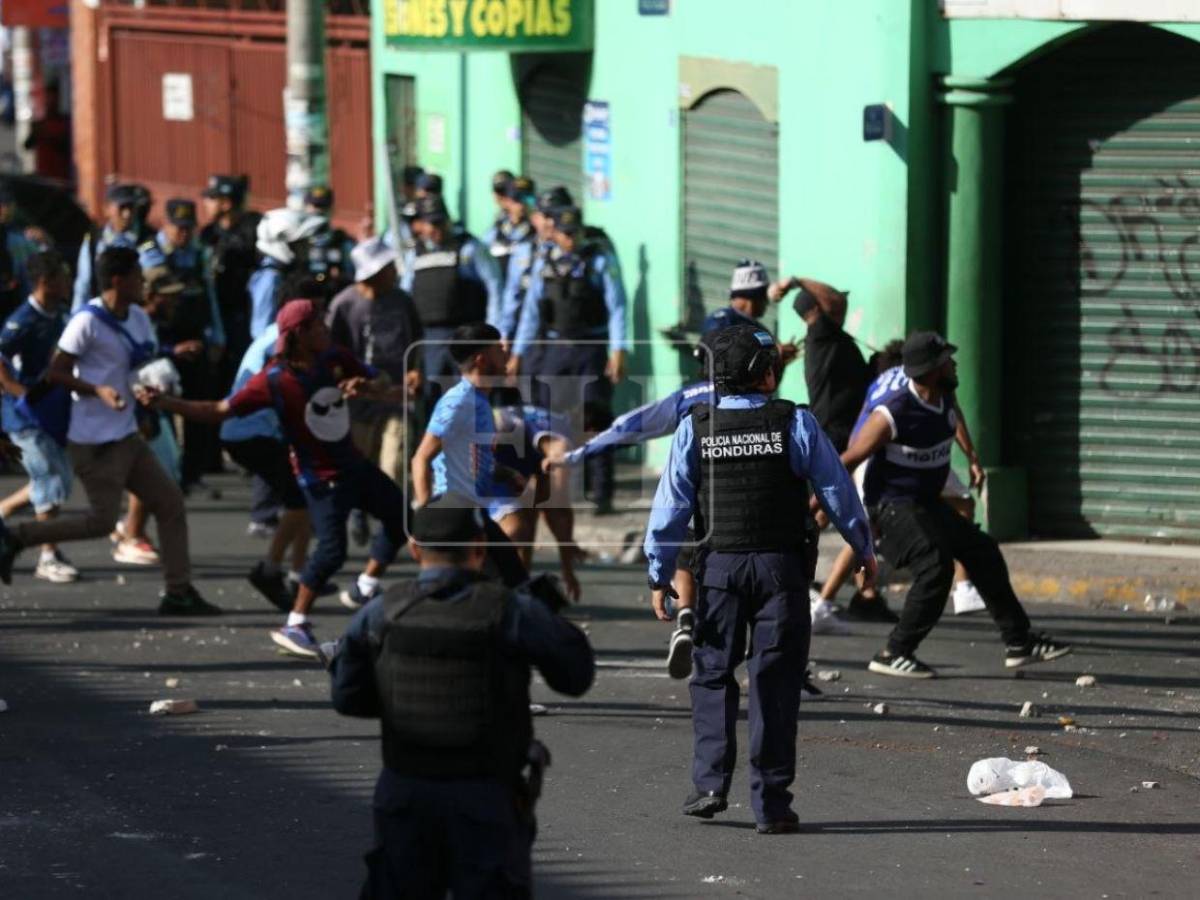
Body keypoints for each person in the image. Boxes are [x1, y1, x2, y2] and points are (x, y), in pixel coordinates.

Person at [644, 323, 875, 833]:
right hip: (781, 572)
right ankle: (771, 805)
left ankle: (709, 787)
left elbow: (671, 507)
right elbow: (836, 490)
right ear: (763, 374)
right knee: (775, 682)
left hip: (719, 572)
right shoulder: (794, 422)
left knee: (712, 676)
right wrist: (862, 547)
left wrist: (659, 573)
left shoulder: (696, 427)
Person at [329, 496, 594, 898]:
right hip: (485, 795)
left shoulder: (382, 611)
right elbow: (575, 677)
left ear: (414, 548)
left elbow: (348, 696)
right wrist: (548, 614)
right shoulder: (510, 610)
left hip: (407, 789)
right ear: (480, 548)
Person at [149, 298, 410, 657]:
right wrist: (166, 402)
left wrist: (368, 385)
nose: (326, 329)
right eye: (319, 325)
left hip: (353, 463)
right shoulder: (274, 379)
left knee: (401, 516)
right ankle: (295, 624)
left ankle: (364, 586)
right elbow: (219, 410)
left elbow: (379, 379)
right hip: (320, 476)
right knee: (332, 553)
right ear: (299, 333)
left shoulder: (333, 356)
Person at [0, 246, 218, 614]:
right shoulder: (86, 322)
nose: (143, 284)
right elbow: (57, 373)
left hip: (127, 433)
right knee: (101, 522)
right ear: (118, 280)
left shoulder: (138, 318)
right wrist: (96, 390)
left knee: (170, 503)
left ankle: (179, 592)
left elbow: (139, 364)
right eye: (137, 277)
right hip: (93, 439)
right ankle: (15, 537)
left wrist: (154, 383)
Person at [841, 332, 1071, 678]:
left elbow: (954, 416)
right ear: (932, 370)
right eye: (947, 359)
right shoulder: (894, 412)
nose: (954, 363)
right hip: (889, 507)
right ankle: (894, 652)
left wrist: (972, 456)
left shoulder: (943, 394)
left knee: (983, 551)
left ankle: (1019, 641)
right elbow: (849, 458)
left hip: (923, 501)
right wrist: (818, 503)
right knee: (935, 566)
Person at [510, 205, 628, 514]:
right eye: (565, 233)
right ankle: (550, 489)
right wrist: (518, 353)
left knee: (595, 419)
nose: (570, 239)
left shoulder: (598, 260)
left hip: (591, 347)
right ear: (555, 233)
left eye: (574, 232)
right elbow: (531, 313)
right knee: (548, 419)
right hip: (555, 349)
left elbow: (617, 306)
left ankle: (601, 493)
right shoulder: (544, 262)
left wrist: (619, 349)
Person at [409, 322, 529, 588]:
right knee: (508, 584)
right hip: (455, 515)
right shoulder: (458, 402)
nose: (507, 354)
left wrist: (506, 473)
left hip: (474, 511)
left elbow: (471, 458)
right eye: (499, 349)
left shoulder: (479, 401)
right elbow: (420, 459)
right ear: (481, 360)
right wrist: (426, 521)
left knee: (508, 582)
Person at [327, 238, 424, 547]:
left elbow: (417, 341)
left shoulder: (402, 301)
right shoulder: (344, 305)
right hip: (358, 401)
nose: (394, 271)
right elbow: (331, 353)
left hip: (395, 397)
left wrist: (415, 369)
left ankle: (389, 529)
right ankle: (358, 511)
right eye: (388, 267)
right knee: (359, 461)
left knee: (394, 462)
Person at [0, 249, 79, 582]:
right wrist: (22, 395)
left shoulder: (59, 314)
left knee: (58, 480)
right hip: (22, 416)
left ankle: (3, 510)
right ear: (46, 281)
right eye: (63, 277)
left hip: (49, 411)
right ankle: (48, 555)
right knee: (49, 480)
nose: (68, 282)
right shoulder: (23, 320)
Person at [144, 201, 227, 491]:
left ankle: (191, 473)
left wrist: (217, 336)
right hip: (164, 338)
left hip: (195, 336)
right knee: (161, 406)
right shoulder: (151, 253)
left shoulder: (199, 254)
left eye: (188, 227)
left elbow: (210, 295)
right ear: (165, 225)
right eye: (178, 227)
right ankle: (165, 470)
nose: (183, 233)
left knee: (197, 405)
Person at [488, 388, 581, 601]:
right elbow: (558, 509)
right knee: (517, 530)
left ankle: (517, 593)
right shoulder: (562, 445)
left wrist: (567, 557)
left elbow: (549, 505)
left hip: (508, 457)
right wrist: (568, 568)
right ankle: (495, 590)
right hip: (484, 461)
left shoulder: (553, 426)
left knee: (527, 522)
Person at [400, 195, 502, 389]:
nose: (437, 229)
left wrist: (492, 331)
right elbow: (406, 295)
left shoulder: (469, 248)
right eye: (431, 224)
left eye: (440, 222)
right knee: (433, 393)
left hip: (465, 335)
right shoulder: (414, 254)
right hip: (430, 338)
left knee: (468, 393)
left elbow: (494, 287)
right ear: (421, 225)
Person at [198, 174, 261, 381]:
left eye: (211, 198)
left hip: (245, 315)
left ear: (225, 203)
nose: (206, 203)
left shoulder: (254, 230)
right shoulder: (208, 234)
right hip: (216, 314)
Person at [498, 186, 567, 346]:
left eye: (558, 217)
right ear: (535, 218)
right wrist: (504, 333)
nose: (552, 223)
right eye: (547, 216)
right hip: (528, 338)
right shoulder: (524, 250)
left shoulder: (584, 255)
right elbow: (512, 295)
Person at [247, 207, 328, 342]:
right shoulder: (270, 278)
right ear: (283, 244)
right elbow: (261, 332)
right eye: (301, 244)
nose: (306, 249)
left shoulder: (285, 274)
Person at [698, 260, 798, 367]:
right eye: (765, 295)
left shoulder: (761, 330)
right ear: (755, 295)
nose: (767, 303)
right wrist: (768, 353)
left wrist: (779, 360)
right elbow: (716, 356)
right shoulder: (721, 321)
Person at [73, 183, 147, 312]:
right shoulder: (95, 239)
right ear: (107, 209)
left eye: (131, 208)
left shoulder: (145, 239)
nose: (127, 214)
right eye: (122, 208)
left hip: (134, 311)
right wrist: (77, 314)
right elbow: (84, 283)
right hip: (101, 310)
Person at [483, 175, 535, 292]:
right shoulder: (494, 234)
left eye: (527, 199)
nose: (522, 204)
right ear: (506, 201)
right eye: (517, 199)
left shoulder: (538, 235)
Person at [304, 185, 356, 295]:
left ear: (332, 210)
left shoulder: (342, 241)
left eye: (324, 207)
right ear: (305, 208)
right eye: (315, 206)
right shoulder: (297, 239)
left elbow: (352, 275)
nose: (319, 211)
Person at [23, 81, 71, 181]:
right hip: (43, 175)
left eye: (53, 98)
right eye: (48, 98)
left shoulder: (64, 122)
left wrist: (49, 137)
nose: (50, 102)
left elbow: (67, 148)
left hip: (60, 176)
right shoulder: (40, 123)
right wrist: (35, 133)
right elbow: (27, 146)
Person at [0, 184, 34, 319]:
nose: (8, 209)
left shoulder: (16, 235)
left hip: (11, 300)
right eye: (5, 204)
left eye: (8, 204)